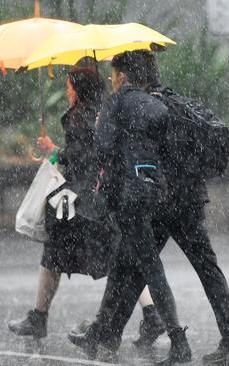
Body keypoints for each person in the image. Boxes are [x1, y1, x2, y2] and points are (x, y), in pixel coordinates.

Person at [8, 66, 165, 341]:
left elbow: (82, 160)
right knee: (118, 257)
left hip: (83, 203)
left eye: (69, 86)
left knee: (54, 253)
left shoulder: (78, 118)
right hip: (106, 197)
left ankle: (41, 318)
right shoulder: (106, 112)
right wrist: (58, 151)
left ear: (78, 90)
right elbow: (94, 153)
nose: (67, 91)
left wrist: (57, 154)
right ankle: (151, 315)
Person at [69, 51, 191, 365]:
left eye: (113, 74)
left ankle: (179, 341)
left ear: (122, 75)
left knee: (151, 269)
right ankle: (99, 331)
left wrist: (100, 126)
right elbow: (165, 148)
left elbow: (103, 149)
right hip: (153, 191)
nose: (111, 80)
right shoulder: (156, 105)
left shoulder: (115, 103)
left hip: (128, 197)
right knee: (122, 263)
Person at [141, 49, 229, 364]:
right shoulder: (177, 104)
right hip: (188, 200)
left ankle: (107, 331)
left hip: (165, 204)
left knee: (136, 267)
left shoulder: (149, 109)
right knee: (208, 270)